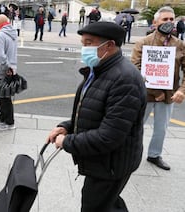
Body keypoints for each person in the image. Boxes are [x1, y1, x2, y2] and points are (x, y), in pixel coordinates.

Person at [47, 21, 147, 212]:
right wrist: (67, 126)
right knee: (108, 202)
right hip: (104, 161)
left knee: (95, 206)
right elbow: (95, 112)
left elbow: (109, 136)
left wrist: (67, 141)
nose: (84, 49)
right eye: (83, 43)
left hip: (111, 165)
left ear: (109, 45)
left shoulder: (124, 80)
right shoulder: (101, 70)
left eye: (89, 43)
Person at [131, 6, 185, 171]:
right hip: (145, 95)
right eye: (165, 19)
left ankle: (154, 155)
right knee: (136, 125)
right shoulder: (143, 43)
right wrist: (156, 92)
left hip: (169, 96)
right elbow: (135, 70)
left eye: (171, 19)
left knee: (161, 128)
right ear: (155, 22)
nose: (169, 22)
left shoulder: (180, 45)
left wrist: (182, 90)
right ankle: (131, 154)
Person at [0, 14, 18, 131]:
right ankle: (2, 117)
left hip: (4, 70)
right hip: (11, 67)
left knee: (4, 97)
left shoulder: (1, 35)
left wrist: (6, 67)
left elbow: (0, 55)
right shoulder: (11, 33)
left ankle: (9, 122)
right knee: (4, 96)